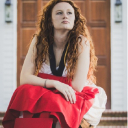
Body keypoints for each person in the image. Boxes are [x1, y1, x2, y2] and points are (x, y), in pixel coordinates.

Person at [2, 0, 107, 128]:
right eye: (59, 13)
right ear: (50, 20)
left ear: (74, 19)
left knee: (57, 103)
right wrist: (55, 83)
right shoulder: (39, 40)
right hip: (47, 88)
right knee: (22, 91)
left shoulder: (81, 42)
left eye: (69, 13)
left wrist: (57, 87)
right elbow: (24, 78)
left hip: (72, 92)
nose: (65, 16)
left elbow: (77, 86)